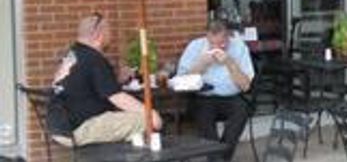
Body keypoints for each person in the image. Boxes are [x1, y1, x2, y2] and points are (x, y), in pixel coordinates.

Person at [47, 13, 163, 146]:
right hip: (80, 128)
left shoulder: (72, 54)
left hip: (60, 125)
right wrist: (150, 113)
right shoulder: (94, 59)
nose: (111, 37)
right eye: (109, 32)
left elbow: (86, 86)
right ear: (99, 35)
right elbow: (117, 98)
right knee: (149, 120)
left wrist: (118, 80)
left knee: (131, 120)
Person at [177, 19, 254, 161]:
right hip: (204, 96)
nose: (217, 47)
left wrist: (229, 62)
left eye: (221, 43)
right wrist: (201, 64)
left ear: (229, 36)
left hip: (231, 96)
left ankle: (219, 159)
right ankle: (218, 159)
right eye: (212, 44)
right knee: (204, 115)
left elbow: (246, 86)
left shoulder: (239, 47)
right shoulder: (195, 46)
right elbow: (182, 81)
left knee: (241, 111)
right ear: (207, 36)